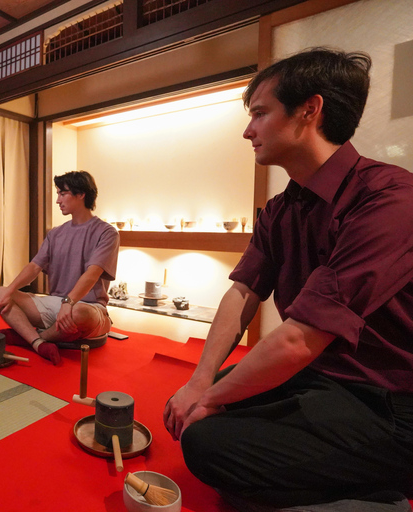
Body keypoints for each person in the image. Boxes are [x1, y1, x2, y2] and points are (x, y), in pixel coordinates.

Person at [163, 47, 413, 510]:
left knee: (207, 443)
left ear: (309, 111)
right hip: (318, 378)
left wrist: (208, 397)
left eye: (259, 113)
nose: (247, 130)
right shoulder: (282, 209)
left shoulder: (390, 199)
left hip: (388, 405)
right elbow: (242, 291)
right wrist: (201, 382)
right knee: (194, 407)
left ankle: (378, 496)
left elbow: (300, 338)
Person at [0, 170, 119, 365]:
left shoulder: (106, 232)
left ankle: (31, 338)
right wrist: (9, 290)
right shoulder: (55, 234)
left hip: (89, 308)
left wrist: (69, 303)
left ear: (81, 194)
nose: (58, 200)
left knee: (79, 313)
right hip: (54, 304)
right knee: (0, 293)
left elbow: (92, 274)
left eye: (62, 193)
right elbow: (34, 267)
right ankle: (39, 343)